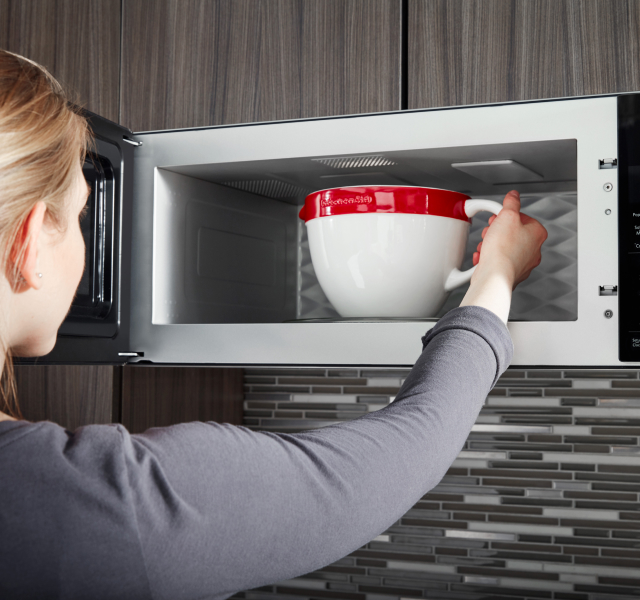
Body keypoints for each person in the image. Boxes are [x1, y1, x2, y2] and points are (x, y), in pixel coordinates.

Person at [0, 49, 547, 600]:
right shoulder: (99, 502)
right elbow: (406, 449)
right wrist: (497, 272)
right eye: (78, 218)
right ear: (29, 243)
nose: (86, 242)